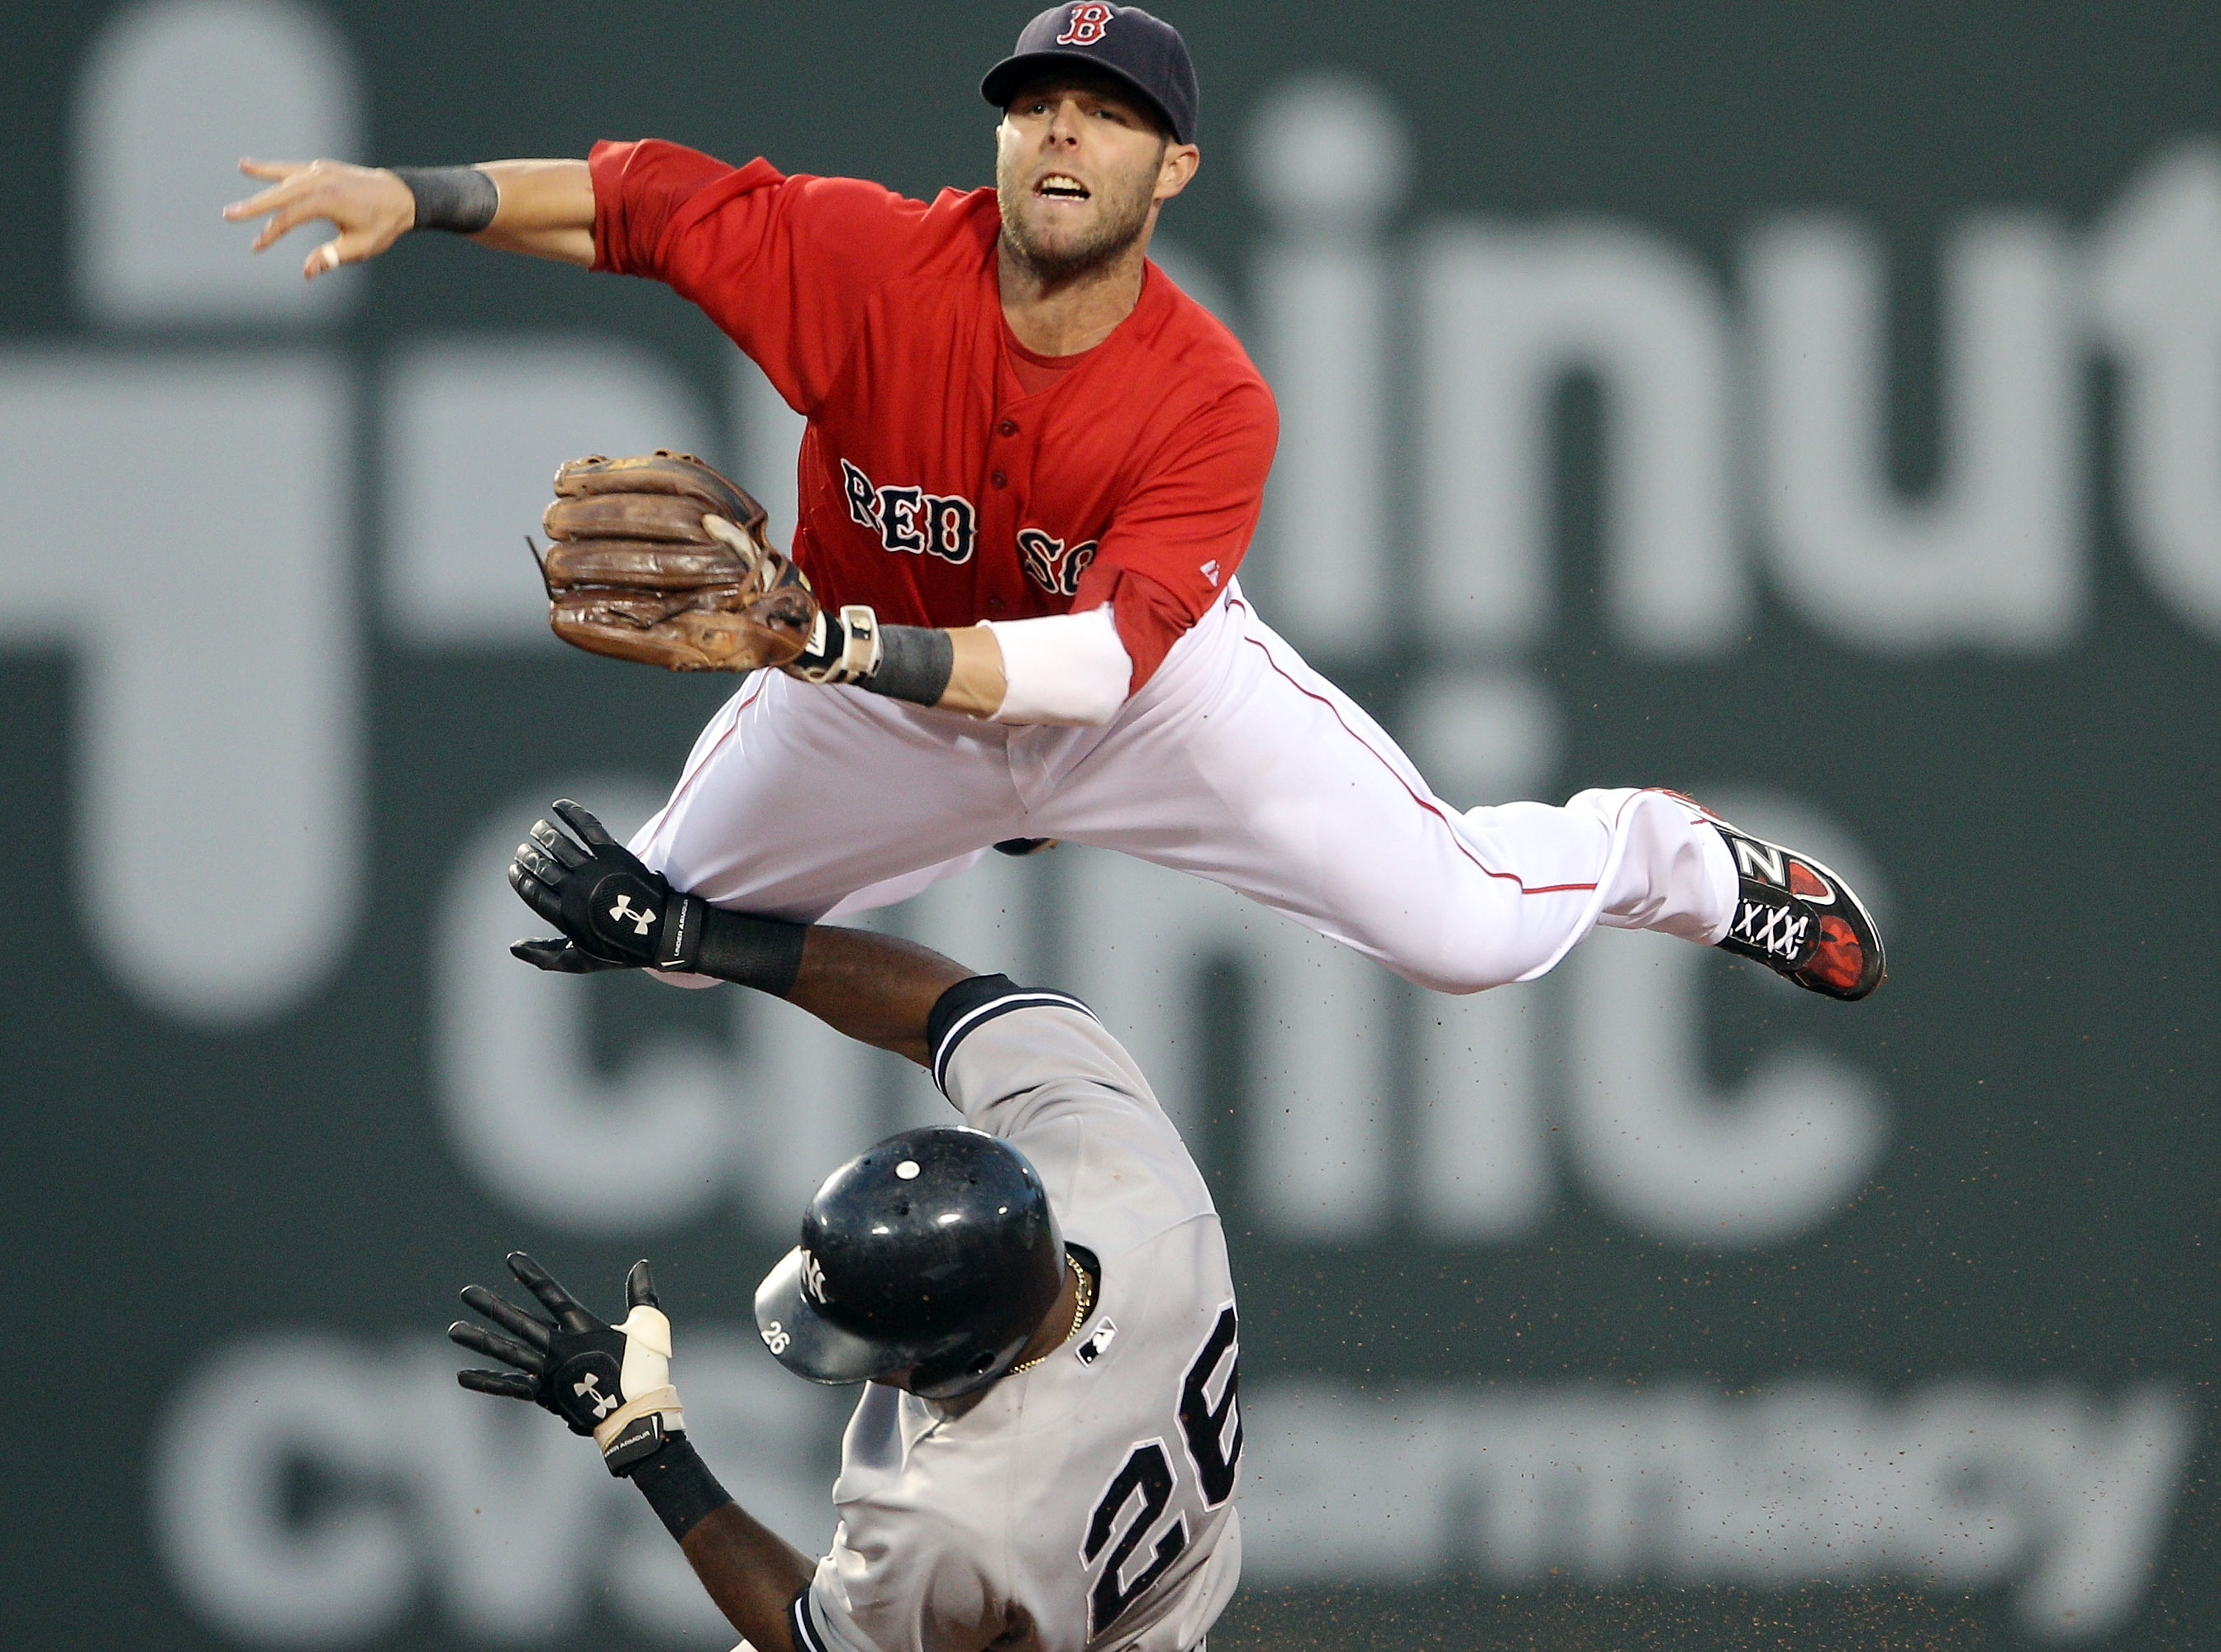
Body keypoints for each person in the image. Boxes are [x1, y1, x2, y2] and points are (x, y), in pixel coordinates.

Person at [224, 3, 1885, 1002]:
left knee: (1462, 930)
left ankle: (1663, 854)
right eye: (1037, 101)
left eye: (1114, 113)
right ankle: (870, 839)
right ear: (1006, 139)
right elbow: (636, 206)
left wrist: (848, 646)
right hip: (861, 691)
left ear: (1174, 172)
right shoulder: (874, 263)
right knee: (657, 929)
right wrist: (416, 196)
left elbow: (1096, 670)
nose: (1065, 127)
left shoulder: (1209, 397)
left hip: (1133, 713)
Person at [447, 796, 1246, 1652]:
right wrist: (694, 936)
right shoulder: (1135, 1182)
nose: (875, 1368)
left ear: (971, 1357)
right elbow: (945, 1007)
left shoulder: (954, 1510)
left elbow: (807, 1638)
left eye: (886, 1353)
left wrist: (644, 1439)